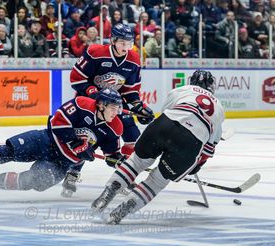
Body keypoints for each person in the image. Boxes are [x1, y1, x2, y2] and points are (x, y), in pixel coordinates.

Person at [91, 70, 225, 224]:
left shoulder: (180, 90)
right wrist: (197, 164)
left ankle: (109, 191)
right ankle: (123, 210)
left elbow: (165, 113)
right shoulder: (219, 108)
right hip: (190, 142)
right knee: (157, 181)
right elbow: (208, 149)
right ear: (212, 86)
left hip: (165, 126)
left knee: (136, 162)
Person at [0, 89, 125, 198]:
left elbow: (111, 154)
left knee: (33, 181)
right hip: (46, 141)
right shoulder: (82, 103)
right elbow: (56, 121)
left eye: (118, 108)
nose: (116, 112)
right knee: (7, 151)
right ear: (101, 104)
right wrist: (76, 143)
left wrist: (116, 160)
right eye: (113, 107)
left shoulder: (115, 127)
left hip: (61, 164)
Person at [70, 23, 155, 157]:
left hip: (115, 102)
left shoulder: (134, 59)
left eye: (129, 43)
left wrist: (139, 106)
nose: (126, 47)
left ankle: (126, 169)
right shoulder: (95, 52)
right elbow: (76, 79)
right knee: (86, 140)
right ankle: (74, 170)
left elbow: (130, 90)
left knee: (133, 137)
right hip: (90, 102)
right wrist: (94, 93)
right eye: (122, 43)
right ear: (113, 40)